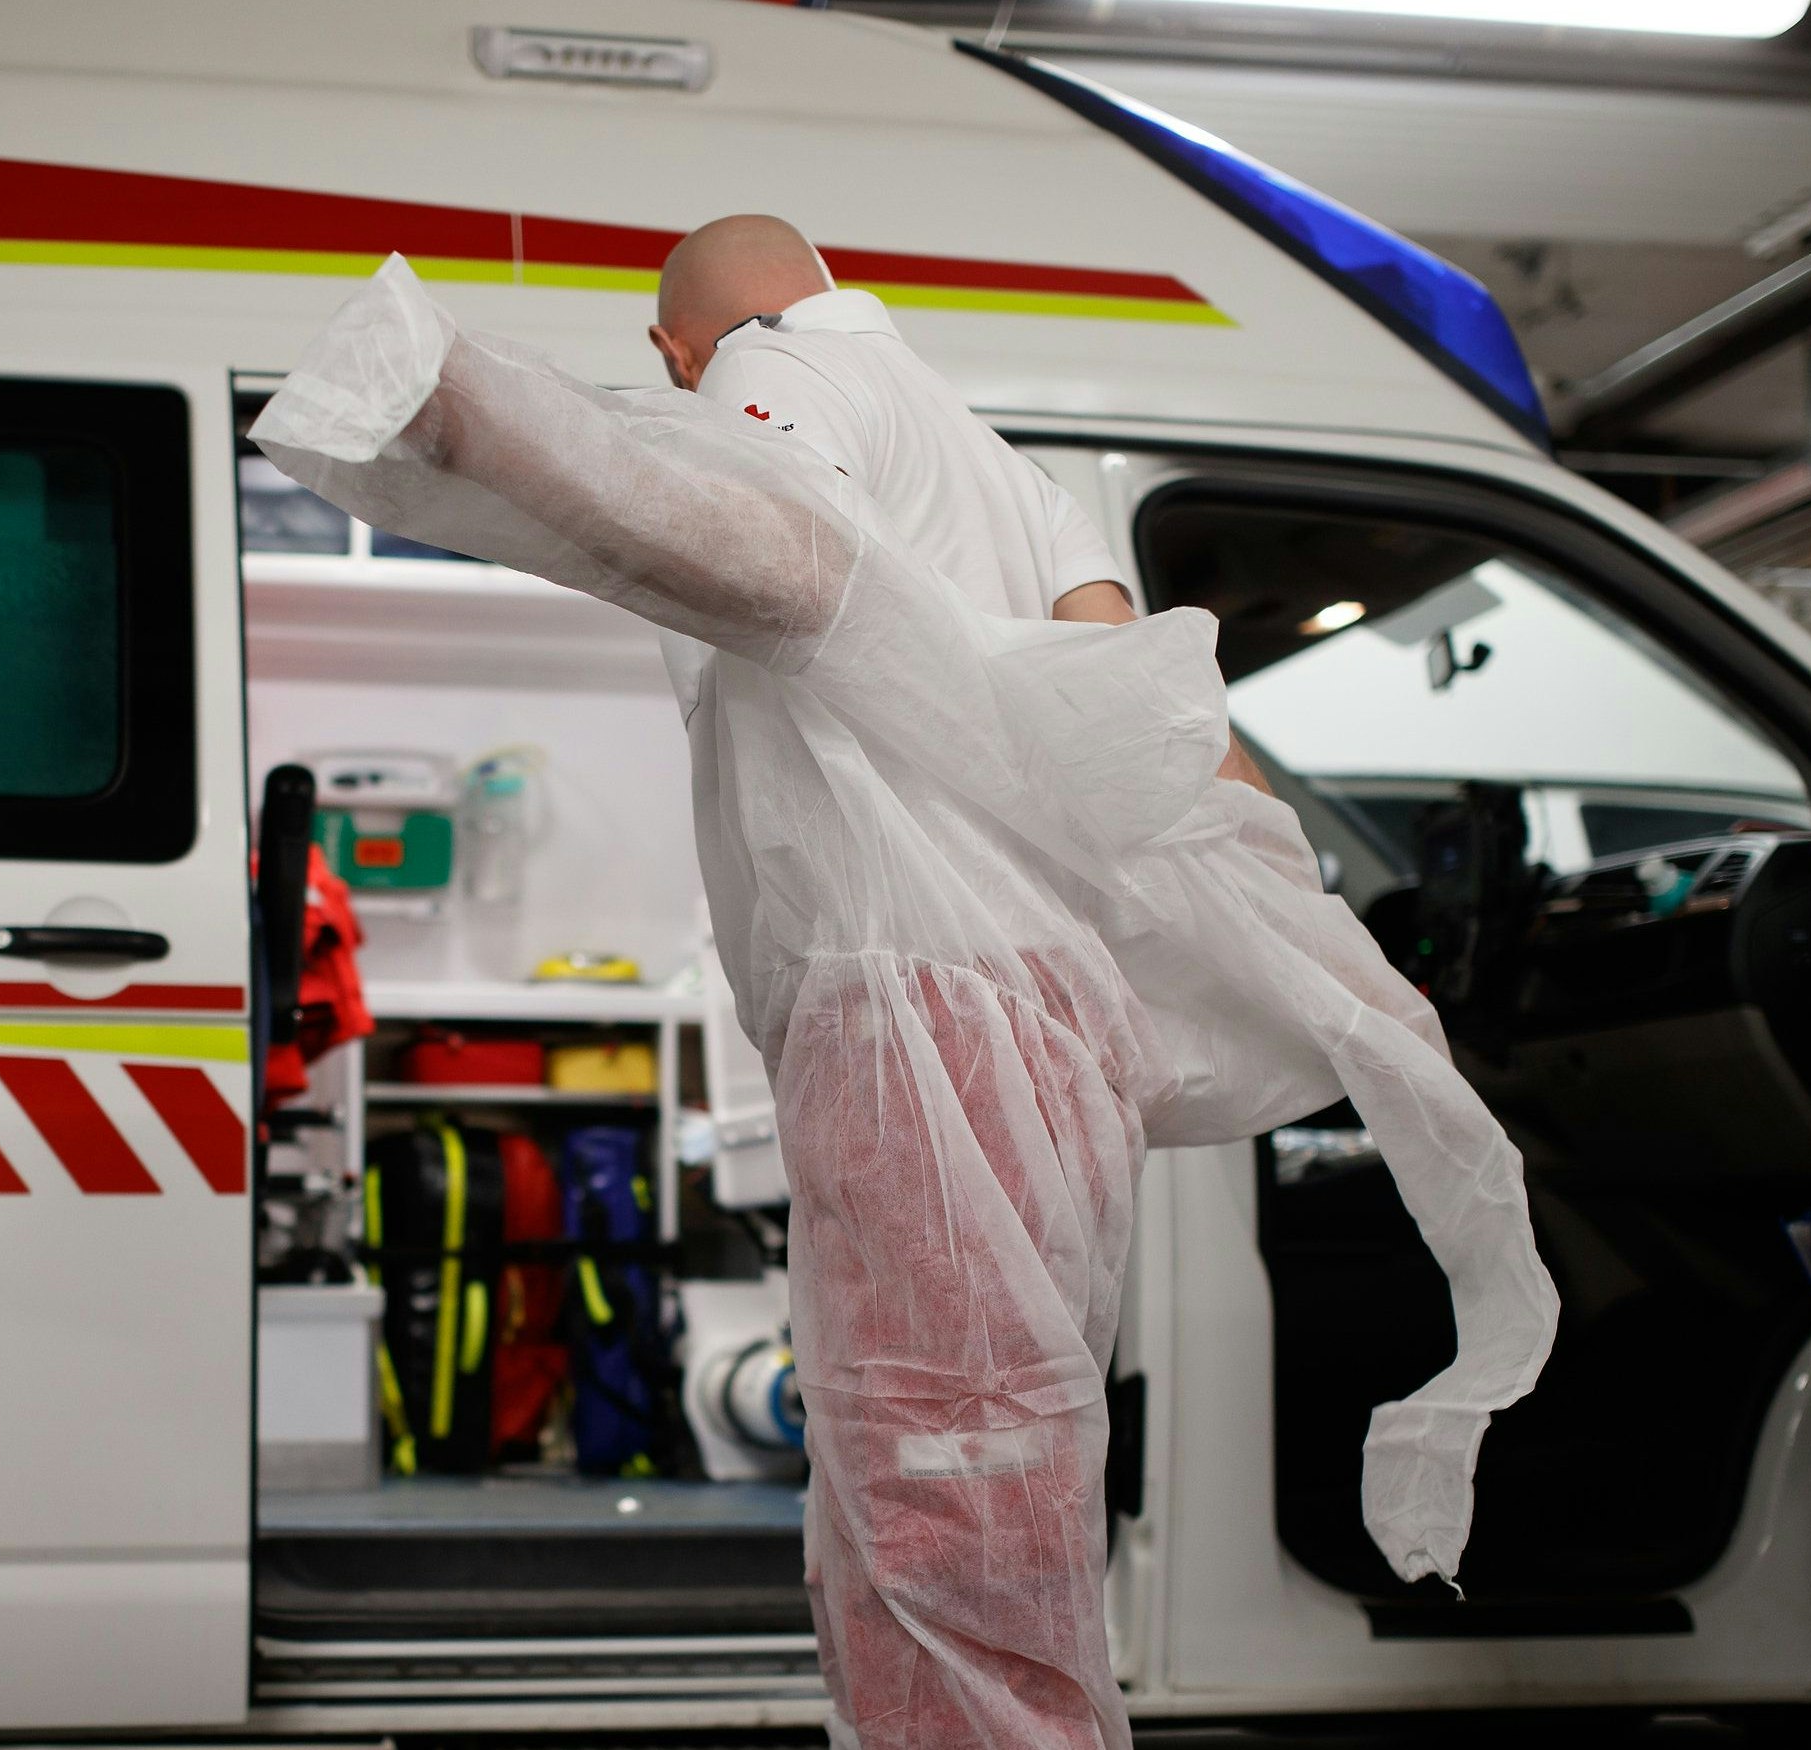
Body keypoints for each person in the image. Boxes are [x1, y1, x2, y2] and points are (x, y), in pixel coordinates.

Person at [251, 255, 1556, 1750]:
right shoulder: (1023, 482)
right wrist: (1327, 951)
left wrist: (453, 406)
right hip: (1058, 1032)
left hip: (917, 1020)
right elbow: (1161, 728)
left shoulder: (772, 369)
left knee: (939, 1526)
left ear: (677, 346)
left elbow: (771, 559)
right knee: (1011, 1487)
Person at [652, 214, 1265, 790]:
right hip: (1022, 886)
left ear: (673, 351)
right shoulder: (1011, 470)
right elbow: (1159, 696)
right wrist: (1286, 873)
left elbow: (790, 571)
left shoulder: (757, 362)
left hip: (882, 878)